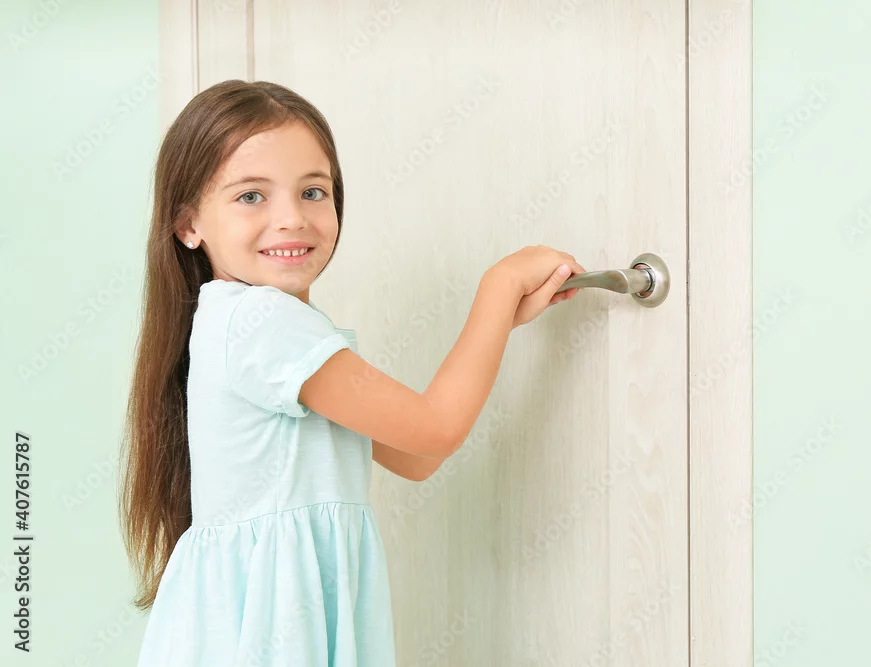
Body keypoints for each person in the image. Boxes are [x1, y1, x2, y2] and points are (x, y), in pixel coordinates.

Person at [117, 79, 585, 667]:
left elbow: (414, 455)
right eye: (251, 196)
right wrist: (499, 285)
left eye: (313, 191)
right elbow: (434, 430)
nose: (292, 218)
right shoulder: (263, 323)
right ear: (189, 224)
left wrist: (502, 319)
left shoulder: (249, 323)